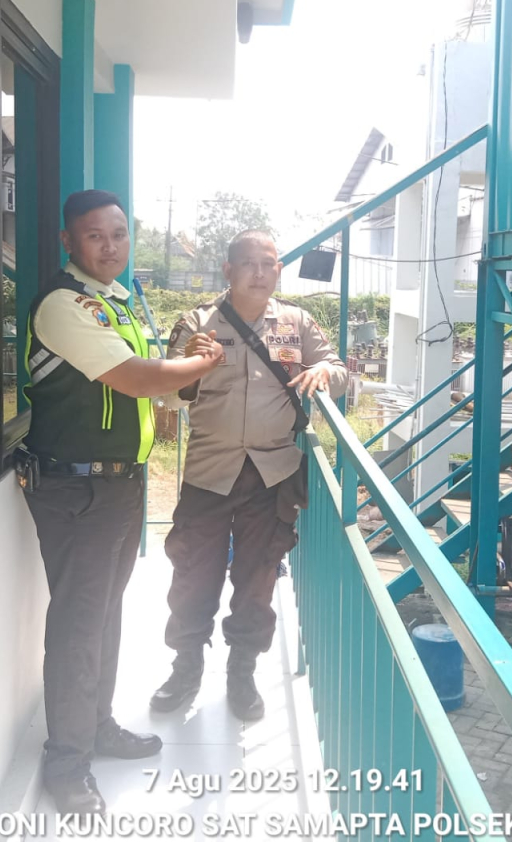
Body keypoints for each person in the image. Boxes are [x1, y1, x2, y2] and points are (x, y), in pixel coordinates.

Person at [20, 189, 223, 815]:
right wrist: (197, 366)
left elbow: (156, 386)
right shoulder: (64, 304)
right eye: (95, 236)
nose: (110, 247)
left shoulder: (117, 300)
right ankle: (67, 763)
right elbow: (137, 378)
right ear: (68, 242)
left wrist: (183, 369)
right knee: (79, 625)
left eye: (118, 234)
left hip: (116, 484)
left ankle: (97, 726)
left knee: (105, 615)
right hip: (76, 488)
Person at [150, 229, 347, 721]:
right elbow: (167, 396)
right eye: (248, 264)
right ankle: (185, 668)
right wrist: (189, 367)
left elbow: (340, 370)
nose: (259, 273)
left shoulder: (297, 322)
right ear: (229, 270)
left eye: (268, 264)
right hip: (208, 472)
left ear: (278, 270)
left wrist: (326, 373)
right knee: (193, 575)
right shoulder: (197, 323)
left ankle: (242, 672)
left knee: (257, 579)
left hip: (270, 474)